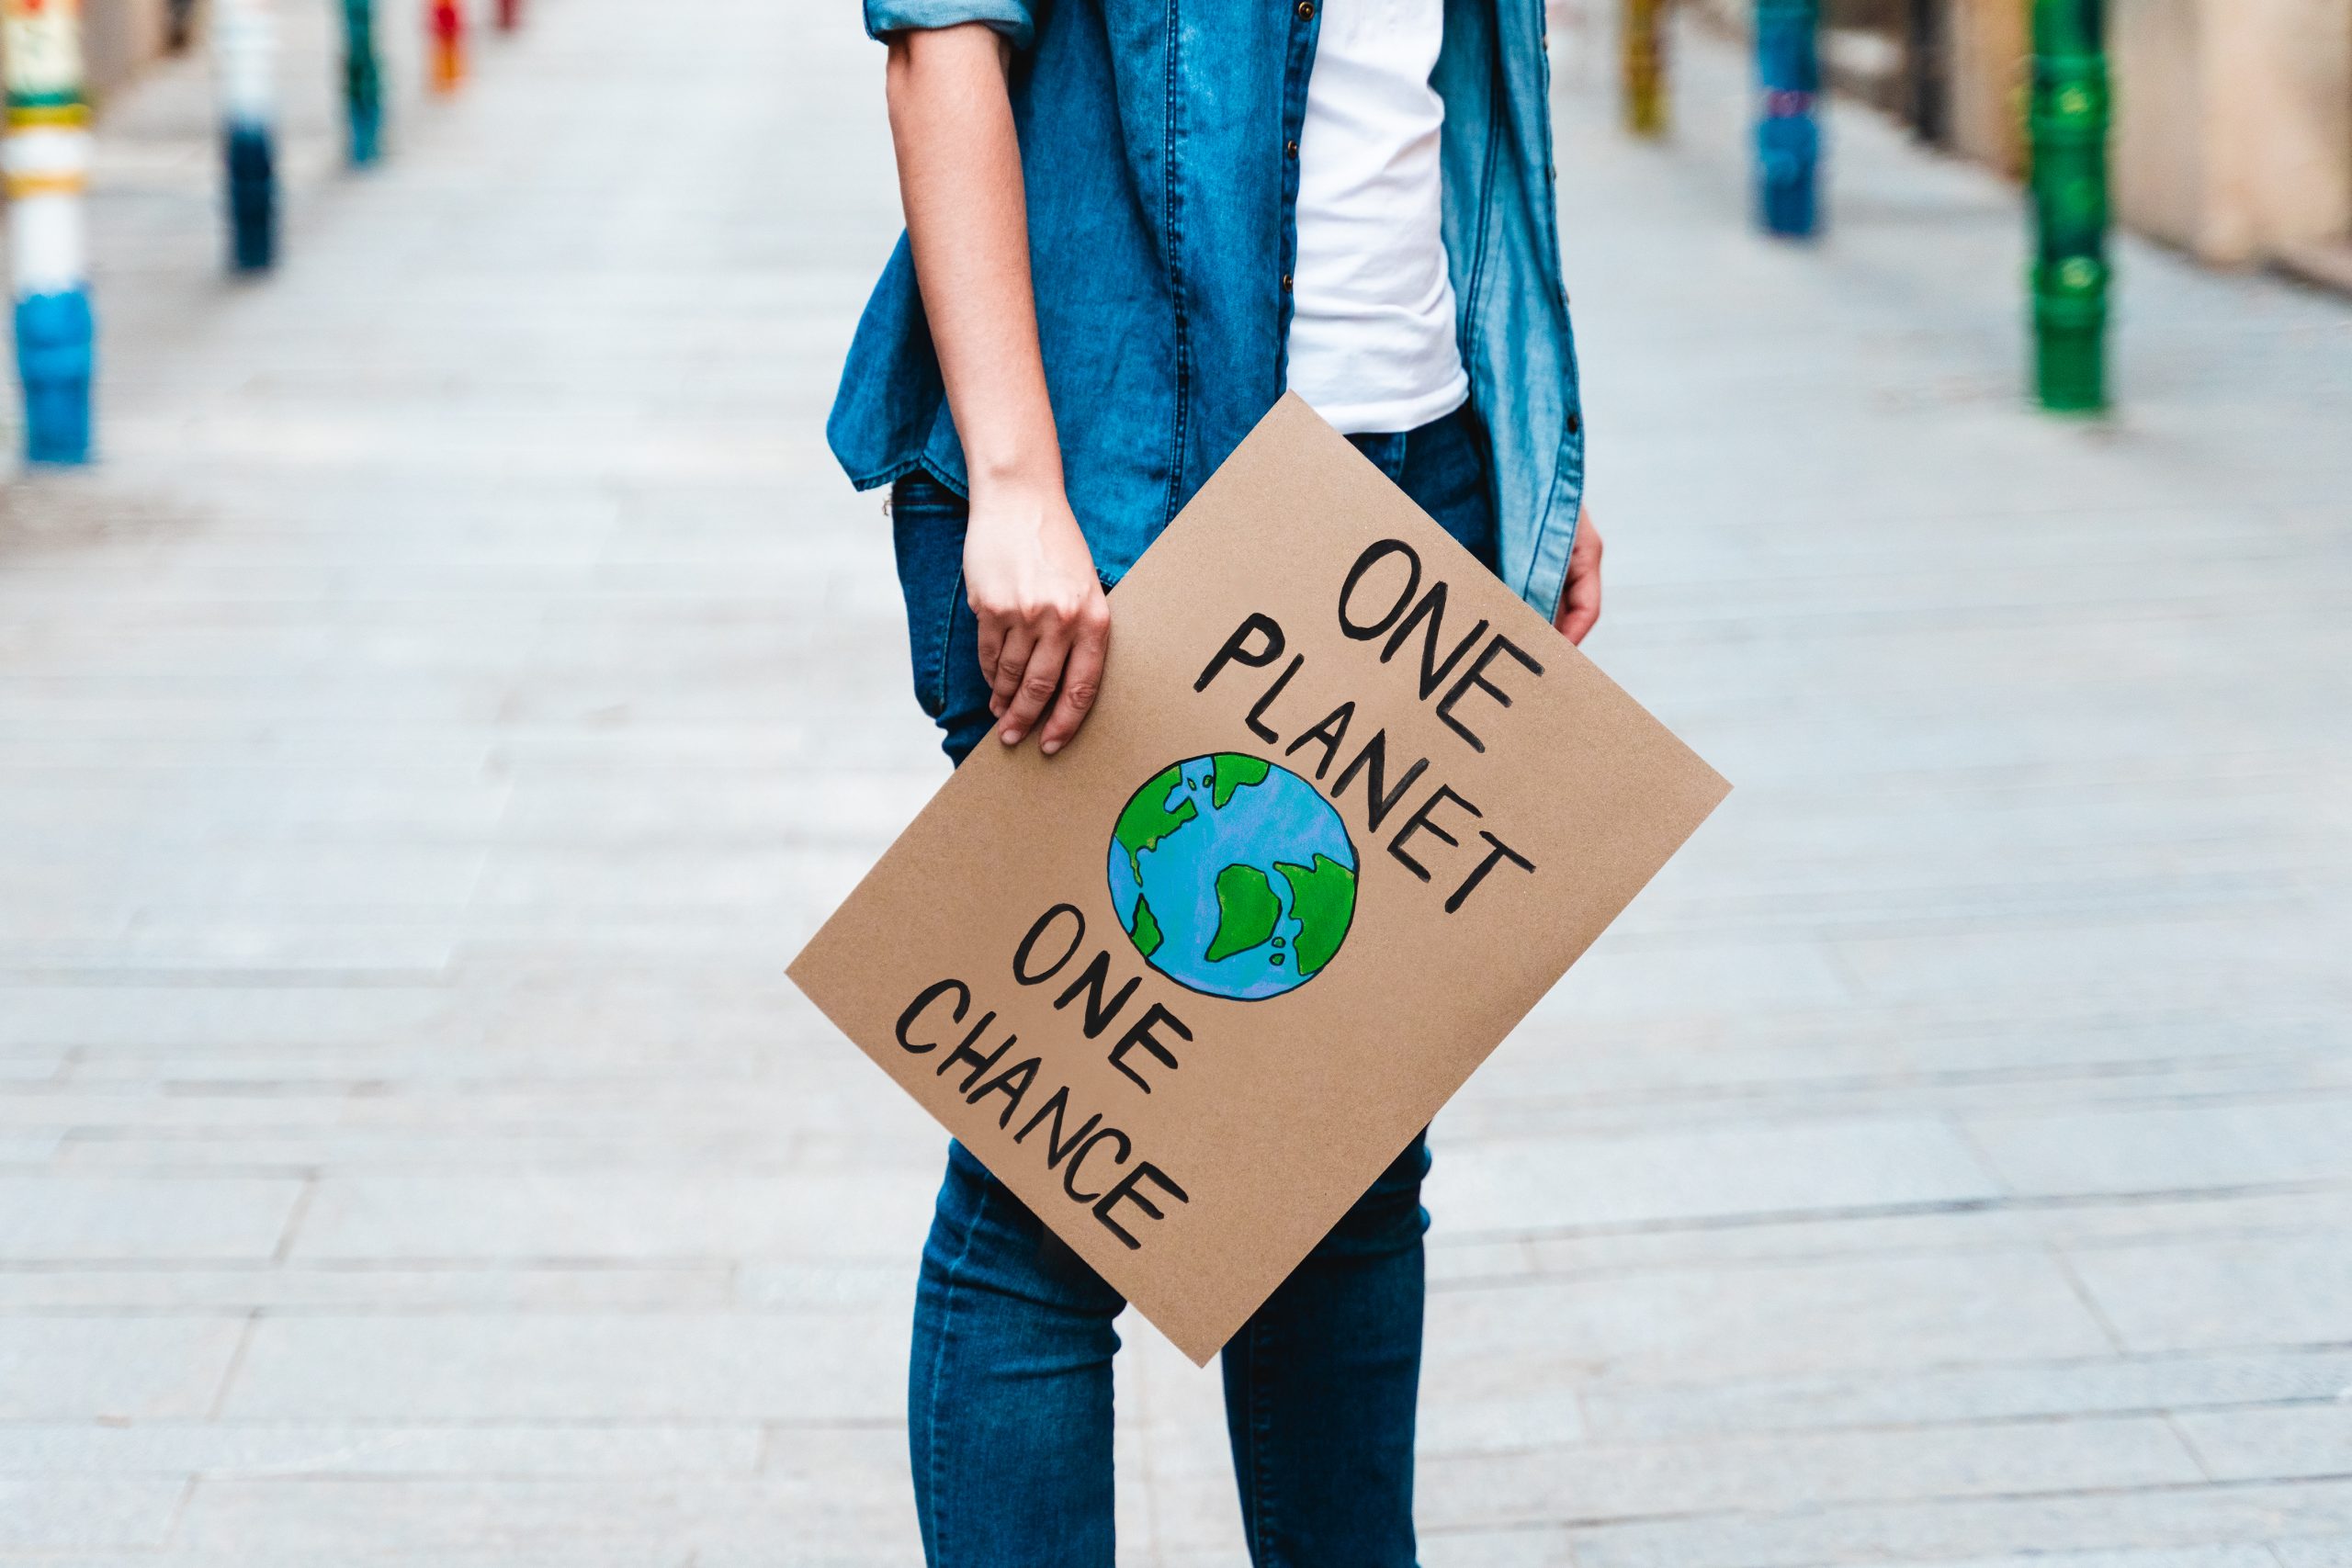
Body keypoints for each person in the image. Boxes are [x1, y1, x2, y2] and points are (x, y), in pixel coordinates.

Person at [829, 1, 1602, 1562]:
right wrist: (1021, 482)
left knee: (1353, 1159)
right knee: (1053, 1197)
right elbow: (940, 44)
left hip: (1417, 463)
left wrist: (1530, 447)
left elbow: (1448, 92)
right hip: (1126, 483)